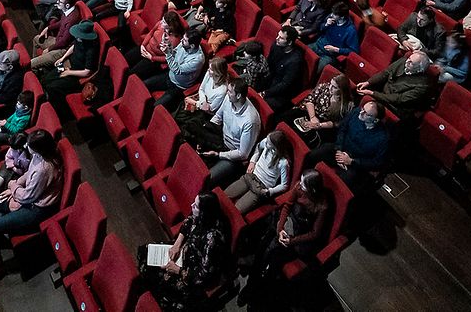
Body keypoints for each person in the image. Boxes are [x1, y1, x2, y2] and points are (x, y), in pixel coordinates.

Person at [242, 170, 331, 305]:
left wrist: (291, 241)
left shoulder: (322, 206)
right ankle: (250, 285)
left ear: (312, 189)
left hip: (300, 235)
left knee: (273, 260)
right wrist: (280, 228)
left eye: (304, 184)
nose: (300, 185)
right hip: (287, 223)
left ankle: (260, 293)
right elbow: (287, 206)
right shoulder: (298, 187)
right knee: (262, 249)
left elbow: (314, 233)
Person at [141, 192, 230, 310]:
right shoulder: (201, 215)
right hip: (185, 251)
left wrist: (178, 270)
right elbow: (188, 221)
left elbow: (203, 275)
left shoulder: (213, 240)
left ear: (204, 212)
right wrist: (177, 244)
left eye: (196, 206)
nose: (192, 205)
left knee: (162, 285)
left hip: (192, 272)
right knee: (146, 253)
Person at [0, 129, 63, 253]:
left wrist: (13, 188)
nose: (27, 146)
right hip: (27, 194)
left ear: (39, 148)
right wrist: (16, 184)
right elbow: (29, 173)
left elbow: (29, 197)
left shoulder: (44, 169)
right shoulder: (39, 155)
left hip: (37, 208)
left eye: (30, 145)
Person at [307, 100, 390, 191]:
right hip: (340, 150)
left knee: (342, 182)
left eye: (366, 113)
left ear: (376, 120)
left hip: (355, 163)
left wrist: (351, 161)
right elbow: (342, 129)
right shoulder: (356, 112)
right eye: (363, 109)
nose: (361, 113)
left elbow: (377, 162)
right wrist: (339, 149)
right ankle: (305, 180)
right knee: (314, 154)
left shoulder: (383, 138)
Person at [200, 78, 261, 187]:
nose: (227, 93)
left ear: (238, 96)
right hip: (221, 139)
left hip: (233, 155)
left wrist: (219, 155)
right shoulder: (229, 99)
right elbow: (218, 117)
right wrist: (206, 133)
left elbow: (242, 154)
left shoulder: (250, 121)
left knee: (207, 178)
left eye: (229, 91)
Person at [225, 130, 293, 214]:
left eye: (269, 143)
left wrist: (270, 191)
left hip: (261, 187)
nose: (266, 142)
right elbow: (258, 147)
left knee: (236, 210)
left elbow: (284, 185)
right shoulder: (266, 142)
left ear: (276, 147)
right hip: (251, 176)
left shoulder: (283, 163)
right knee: (225, 196)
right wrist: (253, 161)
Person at [357, 50, 433, 120]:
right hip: (383, 92)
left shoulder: (422, 86)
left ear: (419, 69)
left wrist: (372, 93)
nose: (407, 61)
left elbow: (399, 99)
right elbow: (385, 73)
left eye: (411, 62)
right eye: (409, 58)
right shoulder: (403, 61)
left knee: (371, 110)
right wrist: (368, 82)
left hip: (395, 107)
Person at [146, 30, 207, 111]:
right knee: (144, 84)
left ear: (192, 46)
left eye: (184, 40)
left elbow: (177, 70)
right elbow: (174, 53)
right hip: (169, 76)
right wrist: (168, 45)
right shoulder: (184, 44)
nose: (181, 40)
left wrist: (167, 54)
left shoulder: (197, 60)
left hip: (178, 86)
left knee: (156, 107)